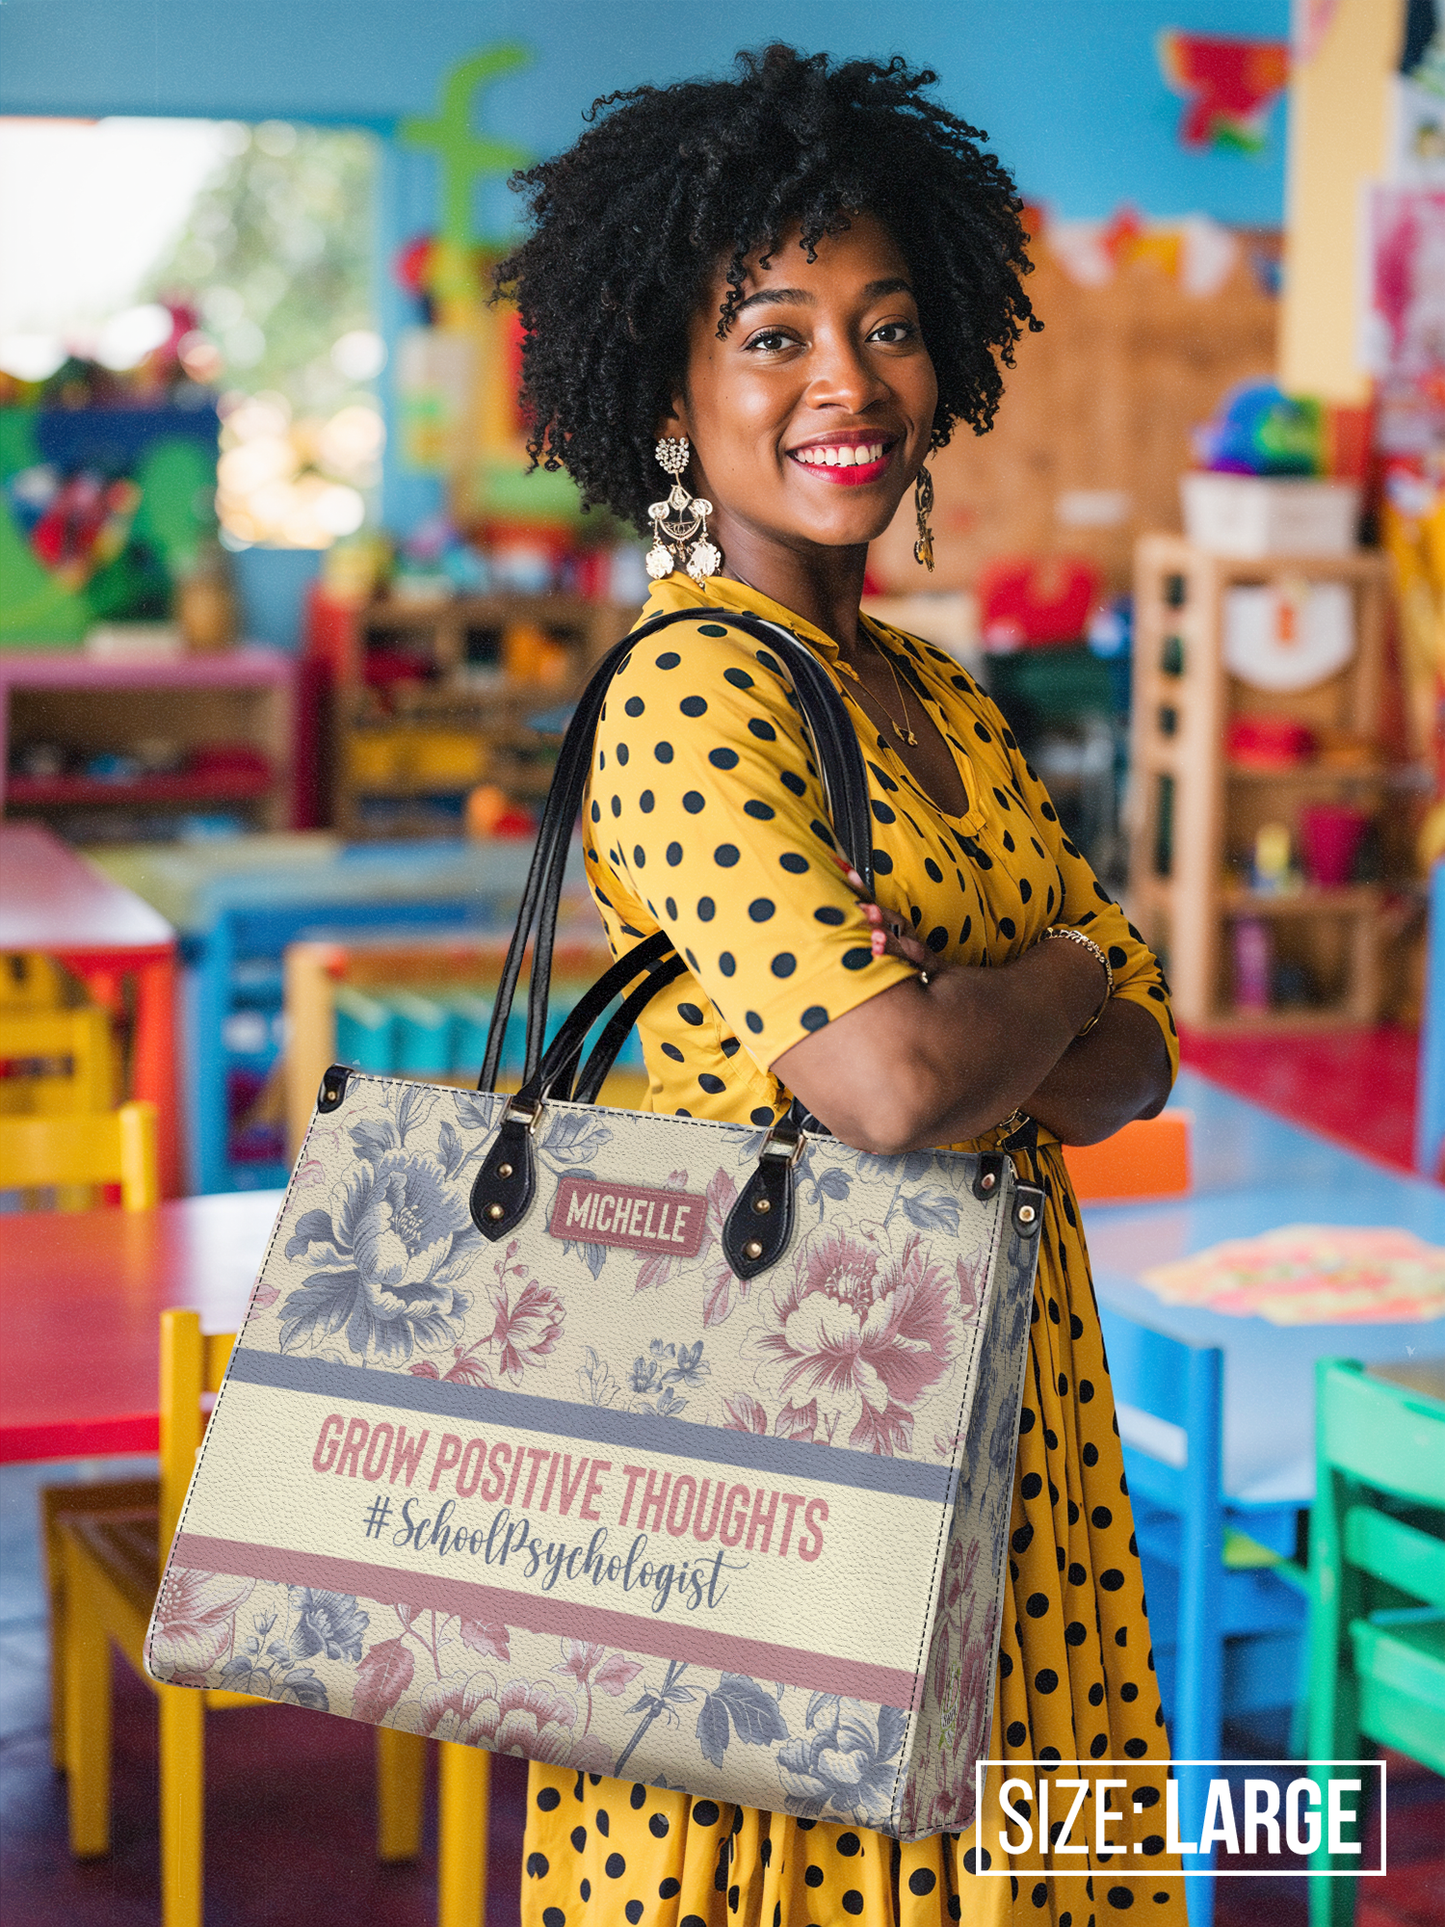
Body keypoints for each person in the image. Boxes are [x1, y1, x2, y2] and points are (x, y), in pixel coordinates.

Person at [498, 45, 1183, 1927]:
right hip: (776, 1445)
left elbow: (1139, 1060)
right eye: (774, 333)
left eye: (886, 328)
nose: (844, 384)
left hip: (1007, 1407)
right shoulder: (687, 687)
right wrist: (1038, 973)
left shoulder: (938, 696)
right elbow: (890, 1084)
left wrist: (1005, 1000)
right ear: (669, 388)